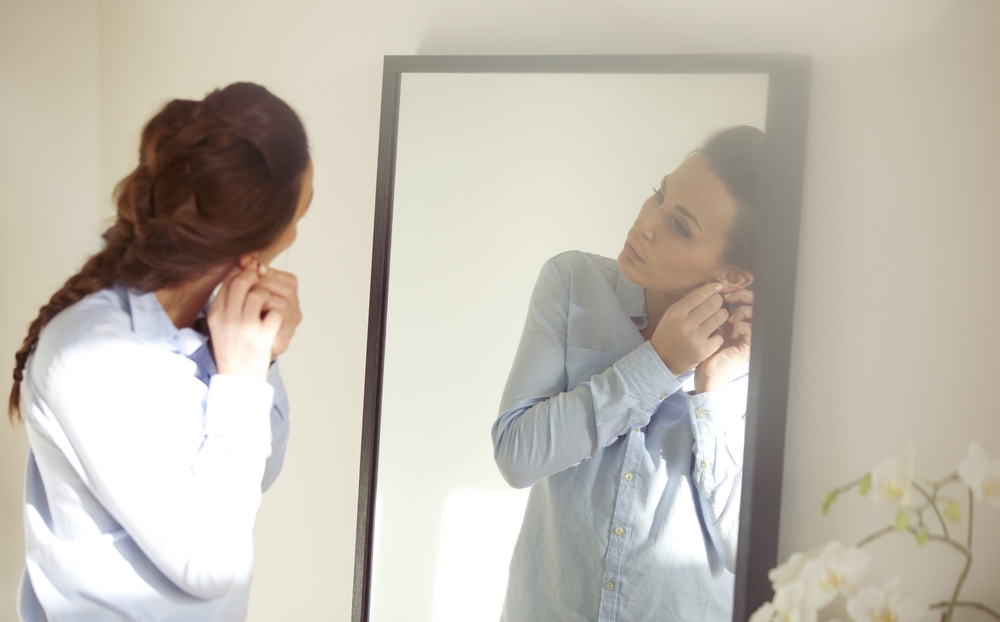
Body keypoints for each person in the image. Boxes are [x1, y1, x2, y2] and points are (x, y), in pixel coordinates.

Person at [8, 82, 312, 621]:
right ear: (252, 243)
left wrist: (259, 358)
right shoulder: (90, 356)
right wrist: (240, 379)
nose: (296, 232)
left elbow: (251, 478)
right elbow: (210, 564)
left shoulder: (213, 329)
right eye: (298, 216)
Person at [492, 126, 762, 621]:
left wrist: (712, 387)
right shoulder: (573, 282)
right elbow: (517, 455)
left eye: (680, 226)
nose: (645, 224)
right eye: (659, 194)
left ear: (732, 276)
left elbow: (746, 553)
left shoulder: (758, 362)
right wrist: (655, 365)